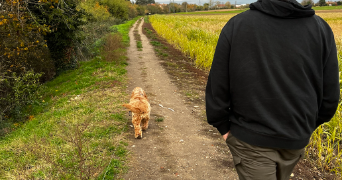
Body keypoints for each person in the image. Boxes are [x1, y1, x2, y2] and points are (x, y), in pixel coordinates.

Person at [205, 0, 339, 179]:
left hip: (250, 140)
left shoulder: (237, 25)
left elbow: (218, 85)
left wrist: (222, 126)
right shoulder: (321, 28)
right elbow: (330, 96)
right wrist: (304, 127)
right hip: (295, 139)